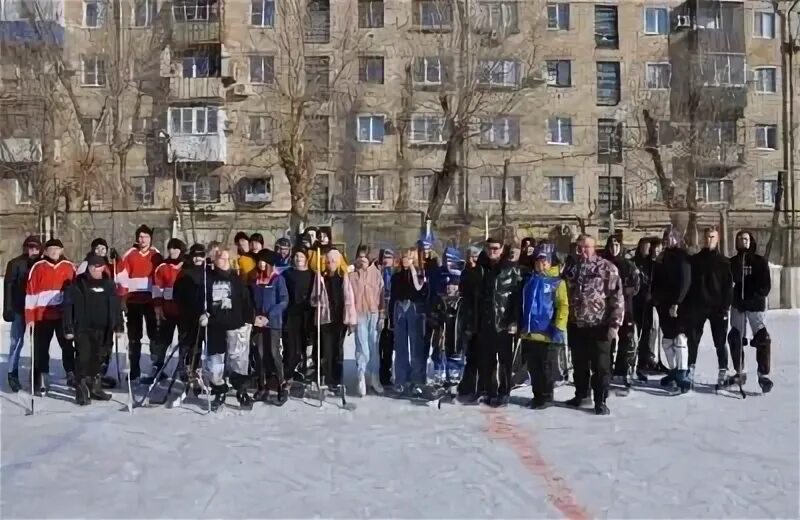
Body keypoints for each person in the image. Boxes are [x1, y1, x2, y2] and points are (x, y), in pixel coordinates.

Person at [563, 234, 624, 415]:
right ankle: (581, 395)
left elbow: (617, 298)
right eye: (579, 248)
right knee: (579, 363)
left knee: (600, 366)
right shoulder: (571, 269)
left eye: (586, 247)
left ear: (594, 247)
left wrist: (614, 325)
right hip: (576, 324)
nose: (582, 251)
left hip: (600, 325)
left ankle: (601, 400)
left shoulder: (606, 268)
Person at [62, 254, 124, 405]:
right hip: (83, 328)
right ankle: (81, 387)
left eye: (99, 266)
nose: (96, 269)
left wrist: (118, 325)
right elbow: (68, 307)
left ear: (103, 267)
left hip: (104, 329)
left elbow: (116, 306)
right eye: (93, 267)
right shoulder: (78, 284)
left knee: (100, 357)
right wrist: (68, 327)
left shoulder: (109, 284)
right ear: (88, 267)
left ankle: (95, 386)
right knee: (84, 357)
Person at [201, 249, 255, 410]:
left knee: (238, 362)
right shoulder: (207, 279)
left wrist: (249, 320)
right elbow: (201, 300)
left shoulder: (237, 280)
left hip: (235, 326)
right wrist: (202, 314)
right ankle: (219, 392)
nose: (223, 260)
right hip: (214, 326)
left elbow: (246, 300)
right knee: (215, 364)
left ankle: (241, 391)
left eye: (226, 258)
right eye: (220, 258)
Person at [473, 238, 522, 407]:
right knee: (486, 359)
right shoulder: (481, 268)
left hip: (503, 320)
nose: (492, 251)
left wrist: (514, 321)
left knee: (504, 360)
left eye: (495, 248)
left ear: (502, 249)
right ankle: (489, 390)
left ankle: (504, 392)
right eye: (489, 248)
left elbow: (516, 298)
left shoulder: (511, 269)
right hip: (485, 320)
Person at [519, 242, 568, 409]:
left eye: (545, 261)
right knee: (534, 367)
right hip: (530, 332)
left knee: (546, 367)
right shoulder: (529, 280)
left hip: (548, 332)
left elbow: (563, 306)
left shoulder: (557, 283)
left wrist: (559, 326)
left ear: (551, 262)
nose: (542, 264)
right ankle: (537, 395)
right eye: (538, 261)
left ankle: (546, 397)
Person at [25, 238, 77, 393]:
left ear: (62, 250)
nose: (54, 251)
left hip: (63, 316)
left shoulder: (69, 267)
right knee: (41, 349)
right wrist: (30, 318)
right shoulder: (38, 267)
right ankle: (42, 376)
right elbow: (30, 294)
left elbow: (75, 293)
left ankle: (71, 373)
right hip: (42, 316)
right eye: (51, 249)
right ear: (46, 251)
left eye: (57, 248)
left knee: (67, 346)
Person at [687, 227, 732, 388]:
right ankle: (689, 370)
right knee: (693, 341)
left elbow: (728, 287)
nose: (708, 240)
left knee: (720, 341)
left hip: (717, 308)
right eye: (706, 237)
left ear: (717, 239)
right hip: (697, 307)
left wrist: (725, 307)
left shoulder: (724, 262)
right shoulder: (695, 260)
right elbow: (689, 284)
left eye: (712, 237)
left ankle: (723, 371)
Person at [116, 224, 163, 381]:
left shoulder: (156, 255)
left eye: (146, 237)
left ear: (150, 238)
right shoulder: (130, 254)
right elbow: (122, 276)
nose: (143, 240)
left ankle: (157, 367)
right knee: (134, 336)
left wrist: (159, 301)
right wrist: (122, 298)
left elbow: (160, 276)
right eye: (140, 237)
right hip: (133, 301)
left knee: (154, 335)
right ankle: (134, 369)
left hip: (150, 301)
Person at [727, 231, 773, 393]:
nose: (742, 241)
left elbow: (766, 285)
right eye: (739, 239)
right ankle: (740, 371)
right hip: (738, 304)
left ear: (750, 241)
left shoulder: (760, 262)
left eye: (745, 239)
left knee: (762, 338)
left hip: (755, 305)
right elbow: (727, 282)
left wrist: (756, 296)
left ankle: (763, 374)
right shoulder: (732, 262)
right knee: (735, 337)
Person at [651, 226, 692, 393]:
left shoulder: (683, 257)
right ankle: (674, 370)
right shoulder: (662, 257)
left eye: (671, 237)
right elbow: (656, 280)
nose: (668, 240)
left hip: (679, 305)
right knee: (667, 340)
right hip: (663, 304)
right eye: (665, 237)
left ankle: (682, 372)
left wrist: (677, 302)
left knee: (680, 338)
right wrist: (655, 299)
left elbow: (685, 281)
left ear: (677, 238)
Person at [310, 249, 357, 395]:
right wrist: (316, 300)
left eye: (334, 261)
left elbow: (350, 300)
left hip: (339, 320)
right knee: (327, 352)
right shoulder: (321, 278)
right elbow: (313, 299)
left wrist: (351, 320)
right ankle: (328, 380)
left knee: (338, 351)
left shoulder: (344, 277)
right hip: (325, 319)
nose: (331, 264)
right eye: (329, 261)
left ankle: (337, 380)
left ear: (338, 263)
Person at [250, 249, 289, 404]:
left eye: (263, 261)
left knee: (274, 353)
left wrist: (269, 316)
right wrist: (255, 317)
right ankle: (262, 385)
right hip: (259, 324)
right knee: (259, 354)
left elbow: (284, 301)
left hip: (273, 323)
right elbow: (252, 302)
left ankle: (281, 384)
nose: (260, 263)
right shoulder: (255, 280)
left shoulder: (278, 280)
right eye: (259, 260)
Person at [145, 238, 186, 384]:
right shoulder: (162, 267)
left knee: (185, 340)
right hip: (166, 311)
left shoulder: (186, 266)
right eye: (170, 248)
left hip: (183, 311)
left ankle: (184, 367)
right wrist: (157, 306)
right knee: (162, 340)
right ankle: (158, 366)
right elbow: (157, 289)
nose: (173, 251)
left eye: (176, 248)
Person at [4, 235, 41, 392]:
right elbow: (8, 287)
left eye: (35, 248)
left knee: (38, 344)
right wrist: (7, 308)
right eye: (29, 247)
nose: (32, 250)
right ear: (25, 248)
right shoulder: (15, 263)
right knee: (16, 342)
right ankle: (12, 373)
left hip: (37, 310)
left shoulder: (42, 264)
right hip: (19, 308)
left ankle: (37, 375)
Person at [602, 235, 640, 388]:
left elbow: (636, 286)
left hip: (626, 307)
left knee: (626, 339)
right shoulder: (603, 264)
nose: (614, 248)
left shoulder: (629, 265)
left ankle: (623, 370)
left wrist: (623, 291)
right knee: (608, 339)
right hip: (607, 308)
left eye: (617, 245)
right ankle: (607, 369)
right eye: (611, 245)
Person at [388, 248, 427, 395]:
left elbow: (420, 290)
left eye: (409, 257)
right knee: (401, 346)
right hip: (399, 308)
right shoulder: (396, 276)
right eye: (404, 257)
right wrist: (391, 317)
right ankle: (401, 380)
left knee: (416, 346)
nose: (406, 260)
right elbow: (393, 296)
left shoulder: (419, 274)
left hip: (414, 309)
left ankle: (417, 380)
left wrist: (414, 270)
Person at [350, 245, 385, 396]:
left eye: (365, 257)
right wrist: (350, 318)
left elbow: (382, 295)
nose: (362, 260)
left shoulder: (376, 274)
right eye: (360, 256)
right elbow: (348, 298)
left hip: (374, 313)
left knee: (374, 347)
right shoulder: (352, 276)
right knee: (362, 347)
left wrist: (382, 315)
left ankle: (374, 377)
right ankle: (361, 376)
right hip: (359, 314)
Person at [173, 244, 207, 383]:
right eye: (195, 256)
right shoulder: (185, 272)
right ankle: (183, 366)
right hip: (187, 314)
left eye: (201, 255)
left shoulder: (207, 273)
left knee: (198, 344)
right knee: (186, 342)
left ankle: (195, 368)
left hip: (202, 314)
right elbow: (177, 294)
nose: (198, 259)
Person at [282, 247, 314, 382]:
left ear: (306, 258)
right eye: (296, 256)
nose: (298, 259)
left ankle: (304, 371)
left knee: (305, 345)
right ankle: (288, 374)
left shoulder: (313, 275)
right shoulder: (287, 274)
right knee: (291, 345)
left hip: (307, 315)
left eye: (301, 256)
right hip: (291, 314)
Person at [456, 246, 483, 399]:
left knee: (480, 355)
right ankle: (468, 385)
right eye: (470, 257)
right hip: (468, 316)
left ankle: (479, 386)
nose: (472, 260)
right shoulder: (466, 272)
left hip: (480, 317)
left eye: (475, 257)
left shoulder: (481, 272)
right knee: (470, 354)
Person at [376, 249, 395, 386]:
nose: (387, 260)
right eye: (385, 257)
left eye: (389, 257)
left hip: (391, 314)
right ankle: (376, 373)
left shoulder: (394, 273)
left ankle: (386, 373)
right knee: (377, 345)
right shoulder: (377, 273)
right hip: (377, 312)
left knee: (388, 346)